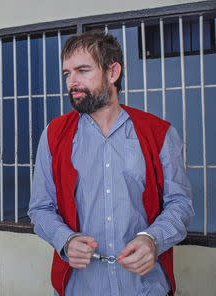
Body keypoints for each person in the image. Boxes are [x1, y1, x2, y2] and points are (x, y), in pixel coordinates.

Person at [28, 30, 194, 296]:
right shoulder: (54, 135)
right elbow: (40, 208)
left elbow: (180, 205)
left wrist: (153, 239)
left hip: (145, 287)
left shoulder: (159, 133)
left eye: (82, 70)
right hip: (80, 287)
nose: (72, 82)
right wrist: (65, 239)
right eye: (67, 74)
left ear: (112, 72)